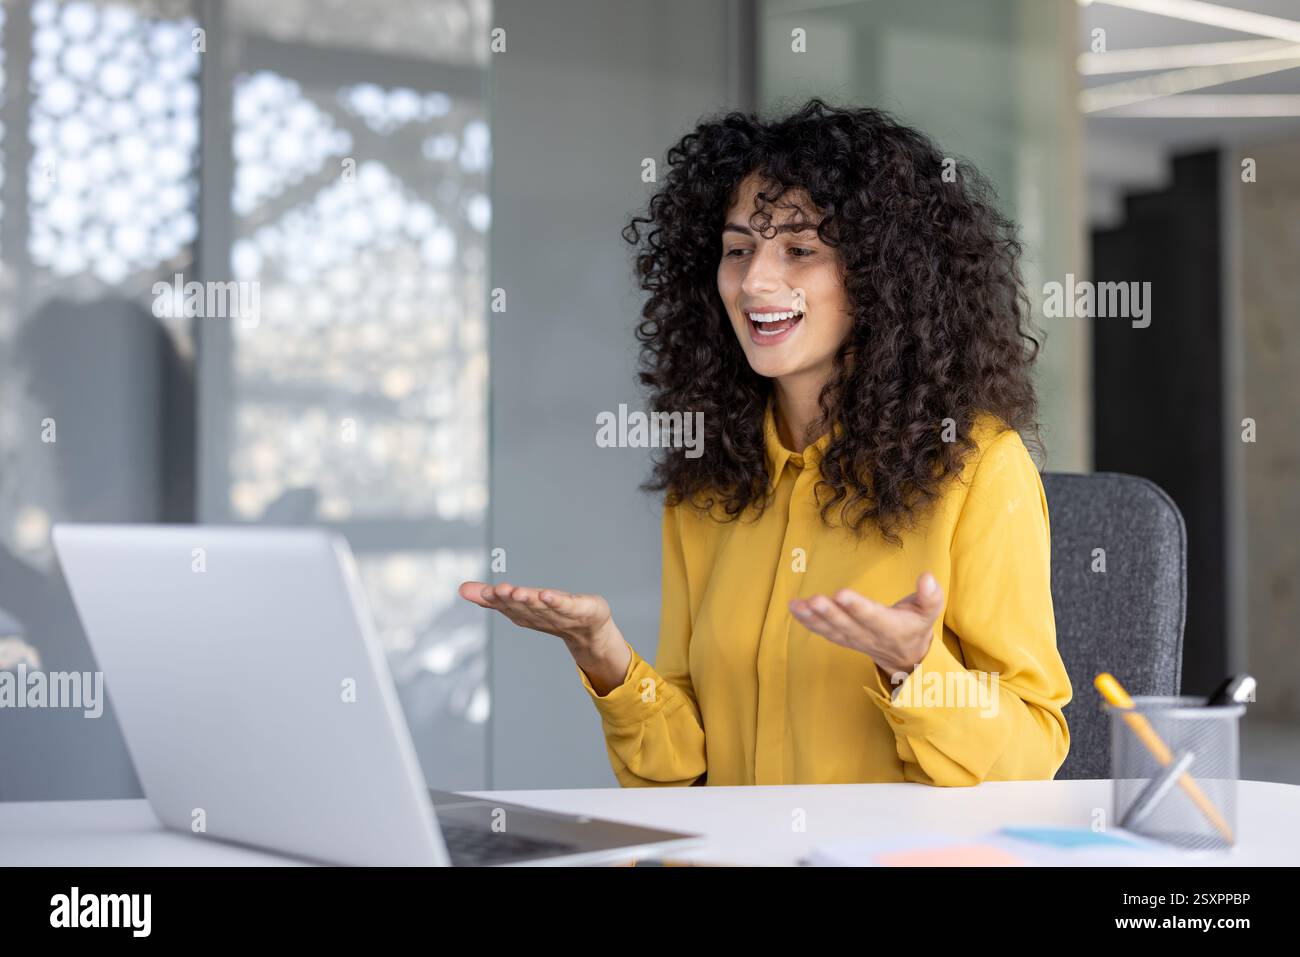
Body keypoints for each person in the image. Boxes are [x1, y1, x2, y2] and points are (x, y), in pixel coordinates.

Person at [459, 98, 1072, 787]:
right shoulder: (711, 479)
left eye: (800, 250)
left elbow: (1033, 752)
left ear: (882, 277)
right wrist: (606, 658)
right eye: (739, 249)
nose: (755, 281)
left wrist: (915, 669)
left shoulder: (978, 466)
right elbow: (685, 768)